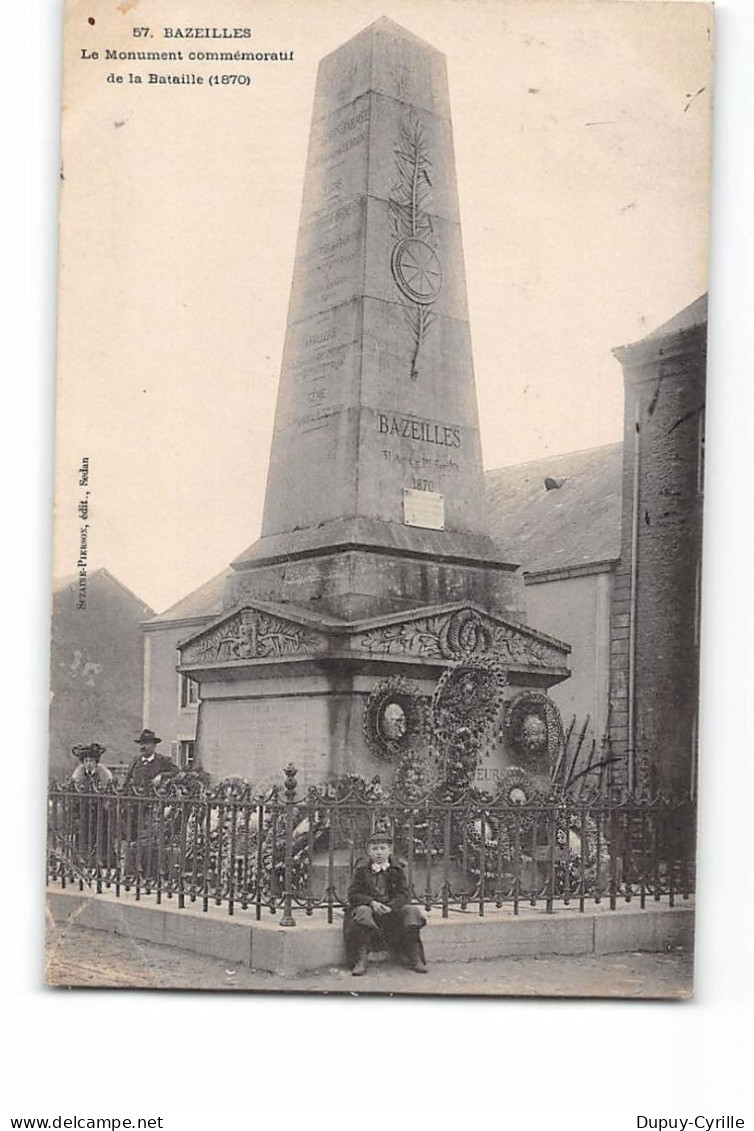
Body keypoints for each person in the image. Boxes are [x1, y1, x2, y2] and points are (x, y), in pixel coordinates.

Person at [343, 831, 427, 977]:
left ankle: (414, 957)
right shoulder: (361, 869)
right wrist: (372, 903)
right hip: (370, 911)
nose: (379, 853)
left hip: (391, 912)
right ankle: (360, 959)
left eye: (383, 848)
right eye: (374, 849)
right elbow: (353, 894)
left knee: (412, 911)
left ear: (390, 850)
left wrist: (392, 906)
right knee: (362, 912)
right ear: (369, 851)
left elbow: (404, 894)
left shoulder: (397, 868)